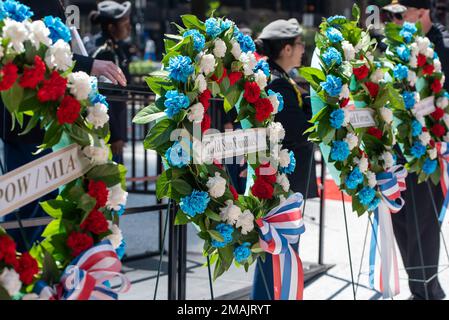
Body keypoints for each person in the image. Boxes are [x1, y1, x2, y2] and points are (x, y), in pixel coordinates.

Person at [0, 0, 126, 251]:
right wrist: (89, 65)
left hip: (42, 120)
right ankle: (20, 279)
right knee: (28, 213)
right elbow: (37, 53)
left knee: (36, 211)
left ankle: (30, 279)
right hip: (30, 121)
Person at [383, 0, 449, 300]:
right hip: (397, 149)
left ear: (422, 12)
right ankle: (419, 288)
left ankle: (427, 292)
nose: (395, 18)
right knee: (401, 220)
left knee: (424, 222)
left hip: (429, 149)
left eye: (402, 13)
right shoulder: (395, 46)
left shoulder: (443, 46)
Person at [251, 18, 318, 300]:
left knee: (281, 251)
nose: (304, 49)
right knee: (278, 251)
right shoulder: (277, 83)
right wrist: (323, 119)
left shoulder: (282, 78)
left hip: (288, 182)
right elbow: (296, 129)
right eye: (300, 44)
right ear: (287, 48)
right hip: (283, 184)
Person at [85, 1, 132, 164]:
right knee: (111, 183)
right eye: (125, 24)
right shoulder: (105, 52)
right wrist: (116, 135)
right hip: (106, 131)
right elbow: (105, 98)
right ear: (111, 28)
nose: (129, 27)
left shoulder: (109, 46)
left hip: (106, 128)